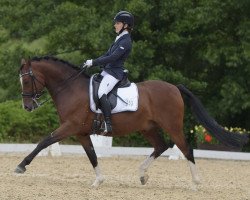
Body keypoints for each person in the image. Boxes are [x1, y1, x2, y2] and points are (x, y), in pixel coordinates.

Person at [84, 11, 134, 134]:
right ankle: (95, 119)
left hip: (115, 73)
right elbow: (107, 55)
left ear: (125, 25)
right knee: (92, 88)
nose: (115, 25)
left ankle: (108, 124)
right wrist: (91, 62)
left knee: (101, 92)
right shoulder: (119, 38)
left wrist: (94, 62)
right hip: (107, 71)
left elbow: (112, 58)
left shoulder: (126, 41)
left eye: (117, 23)